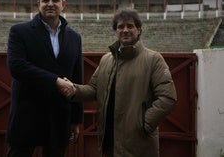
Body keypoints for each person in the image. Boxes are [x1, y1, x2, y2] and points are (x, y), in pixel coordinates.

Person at [61, 9, 177, 157]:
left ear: (139, 29)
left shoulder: (154, 59)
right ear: (115, 31)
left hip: (138, 143)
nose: (125, 30)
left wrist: (144, 125)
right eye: (120, 27)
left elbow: (168, 98)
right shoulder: (106, 60)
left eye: (130, 26)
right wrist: (74, 89)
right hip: (108, 141)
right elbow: (93, 89)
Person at [6, 0, 83, 157]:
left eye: (55, 0)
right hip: (26, 116)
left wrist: (76, 120)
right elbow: (16, 66)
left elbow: (77, 78)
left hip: (59, 117)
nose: (50, 3)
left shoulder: (75, 38)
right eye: (45, 0)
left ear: (63, 4)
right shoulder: (19, 31)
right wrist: (54, 81)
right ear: (38, 4)